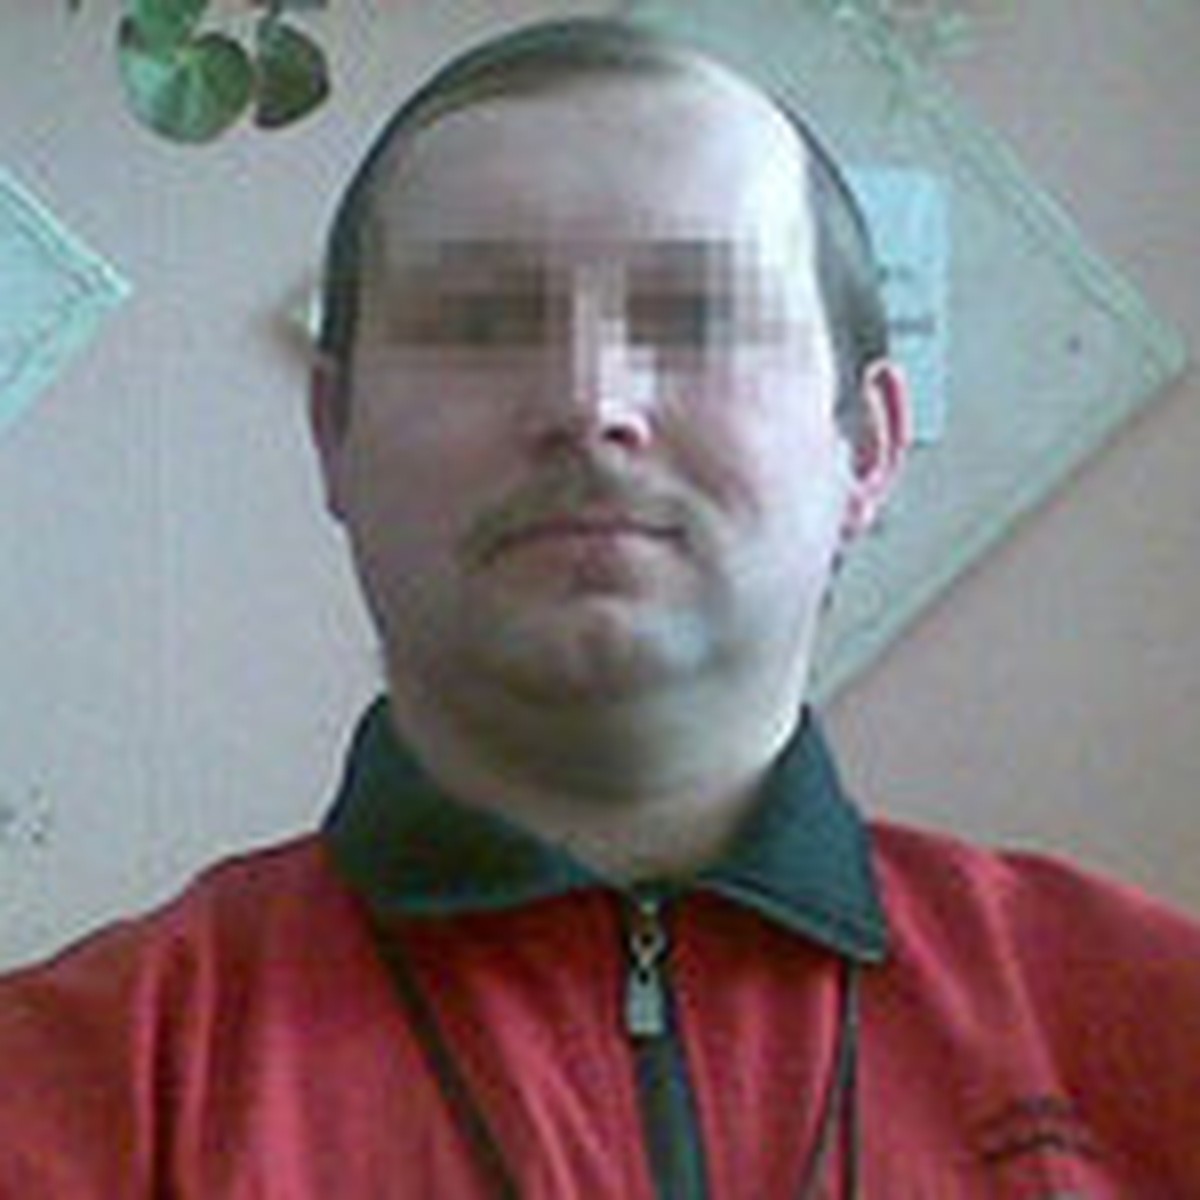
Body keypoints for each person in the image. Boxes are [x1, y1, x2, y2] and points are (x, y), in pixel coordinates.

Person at [1, 16, 1197, 1198]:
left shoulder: (1154, 1025)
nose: (590, 403)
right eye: (479, 323)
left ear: (869, 447)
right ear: (334, 434)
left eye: (700, 317)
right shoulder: (66, 1092)